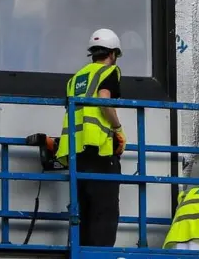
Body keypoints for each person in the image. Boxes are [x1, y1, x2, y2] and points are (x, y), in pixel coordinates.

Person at [55, 28, 127, 247]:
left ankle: (80, 252)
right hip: (99, 150)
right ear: (113, 53)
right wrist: (117, 128)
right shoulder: (109, 72)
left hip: (76, 153)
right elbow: (104, 98)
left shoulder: (77, 78)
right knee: (104, 211)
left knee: (82, 211)